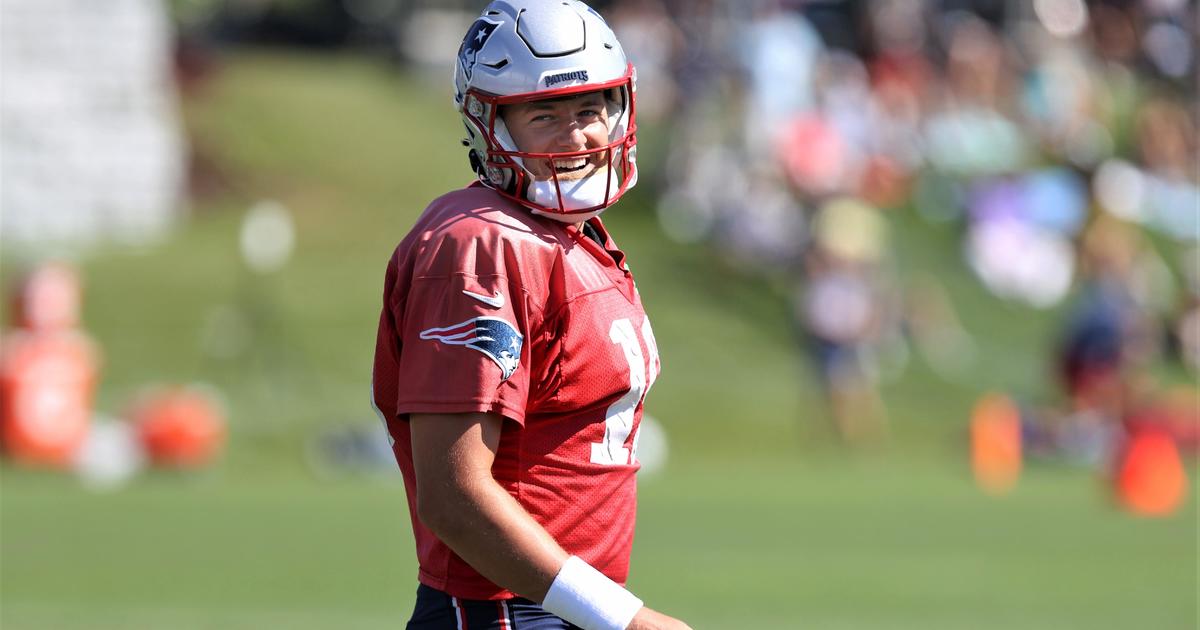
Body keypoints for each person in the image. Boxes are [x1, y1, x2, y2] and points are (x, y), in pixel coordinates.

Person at [371, 2, 691, 629]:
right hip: (503, 614)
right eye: (545, 114)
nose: (576, 136)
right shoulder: (483, 245)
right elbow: (454, 494)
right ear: (491, 123)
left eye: (590, 109)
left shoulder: (572, 235)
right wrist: (620, 619)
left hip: (557, 604)